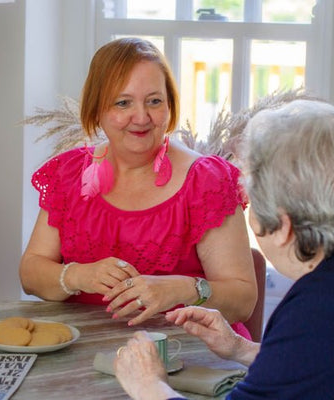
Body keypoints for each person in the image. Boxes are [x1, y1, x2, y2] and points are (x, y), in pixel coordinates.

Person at [19, 37, 256, 337]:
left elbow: (243, 301)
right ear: (96, 110)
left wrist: (182, 289)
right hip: (84, 354)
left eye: (154, 101)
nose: (141, 118)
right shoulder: (68, 174)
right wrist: (78, 275)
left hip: (188, 355)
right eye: (123, 103)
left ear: (170, 105)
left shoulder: (208, 181)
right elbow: (30, 274)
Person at [114, 98, 334, 399]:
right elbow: (311, 365)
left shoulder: (314, 312)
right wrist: (240, 348)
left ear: (283, 228)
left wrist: (148, 384)